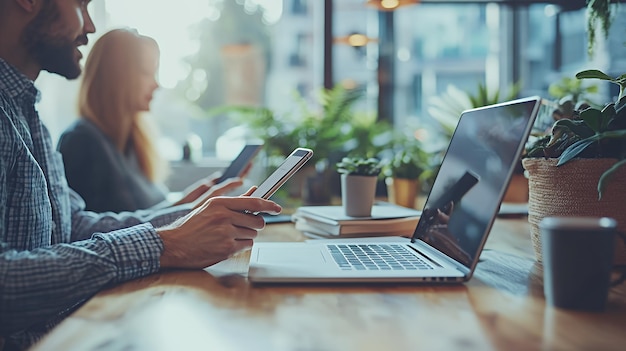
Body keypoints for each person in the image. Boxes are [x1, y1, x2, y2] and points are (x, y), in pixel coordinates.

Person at [0, 1, 281, 350]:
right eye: (80, 4)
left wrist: (186, 216)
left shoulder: (29, 116)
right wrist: (167, 244)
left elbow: (72, 227)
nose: (89, 26)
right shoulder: (63, 134)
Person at [57, 28, 227, 212]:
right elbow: (94, 231)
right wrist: (185, 209)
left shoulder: (130, 141)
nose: (156, 84)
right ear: (116, 76)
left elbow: (141, 219)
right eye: (147, 73)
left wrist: (186, 203)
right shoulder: (81, 142)